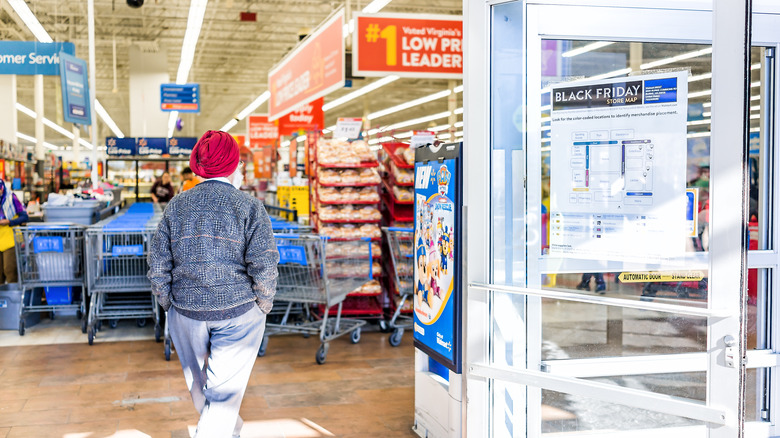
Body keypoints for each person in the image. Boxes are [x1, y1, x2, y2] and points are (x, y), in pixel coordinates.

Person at [148, 130, 279, 438]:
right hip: (239, 312)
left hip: (186, 312)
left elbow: (158, 264)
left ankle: (227, 429)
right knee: (223, 394)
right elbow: (264, 262)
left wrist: (169, 303)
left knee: (200, 385)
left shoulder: (176, 206)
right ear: (233, 164)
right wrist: (263, 304)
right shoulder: (249, 207)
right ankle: (219, 430)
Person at [0, 179, 28, 283]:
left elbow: (24, 217)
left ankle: (13, 296)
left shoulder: (11, 198)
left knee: (9, 270)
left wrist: (9, 222)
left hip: (11, 240)